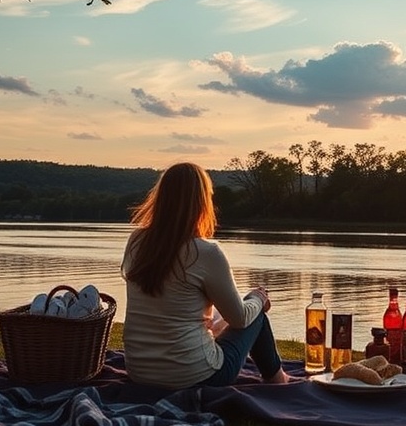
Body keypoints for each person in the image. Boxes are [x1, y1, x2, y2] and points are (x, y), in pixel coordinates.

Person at [121, 162, 289, 389]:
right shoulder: (206, 252)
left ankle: (276, 375)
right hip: (197, 376)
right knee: (255, 314)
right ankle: (278, 380)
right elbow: (239, 319)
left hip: (139, 372)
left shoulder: (136, 241)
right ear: (202, 202)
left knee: (222, 314)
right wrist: (258, 298)